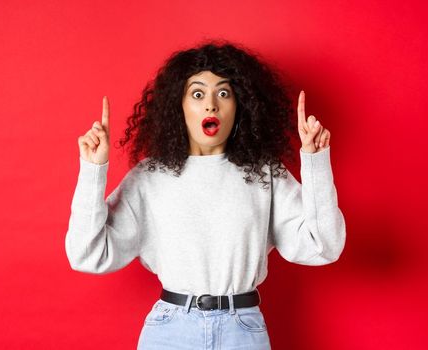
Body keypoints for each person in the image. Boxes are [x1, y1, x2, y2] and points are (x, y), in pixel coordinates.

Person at [65, 41, 346, 349]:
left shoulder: (264, 173)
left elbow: (323, 246)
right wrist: (94, 170)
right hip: (170, 331)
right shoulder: (150, 177)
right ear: (180, 106)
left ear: (239, 106)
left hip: (243, 330)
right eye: (198, 94)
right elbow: (87, 255)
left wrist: (315, 162)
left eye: (223, 93)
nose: (211, 104)